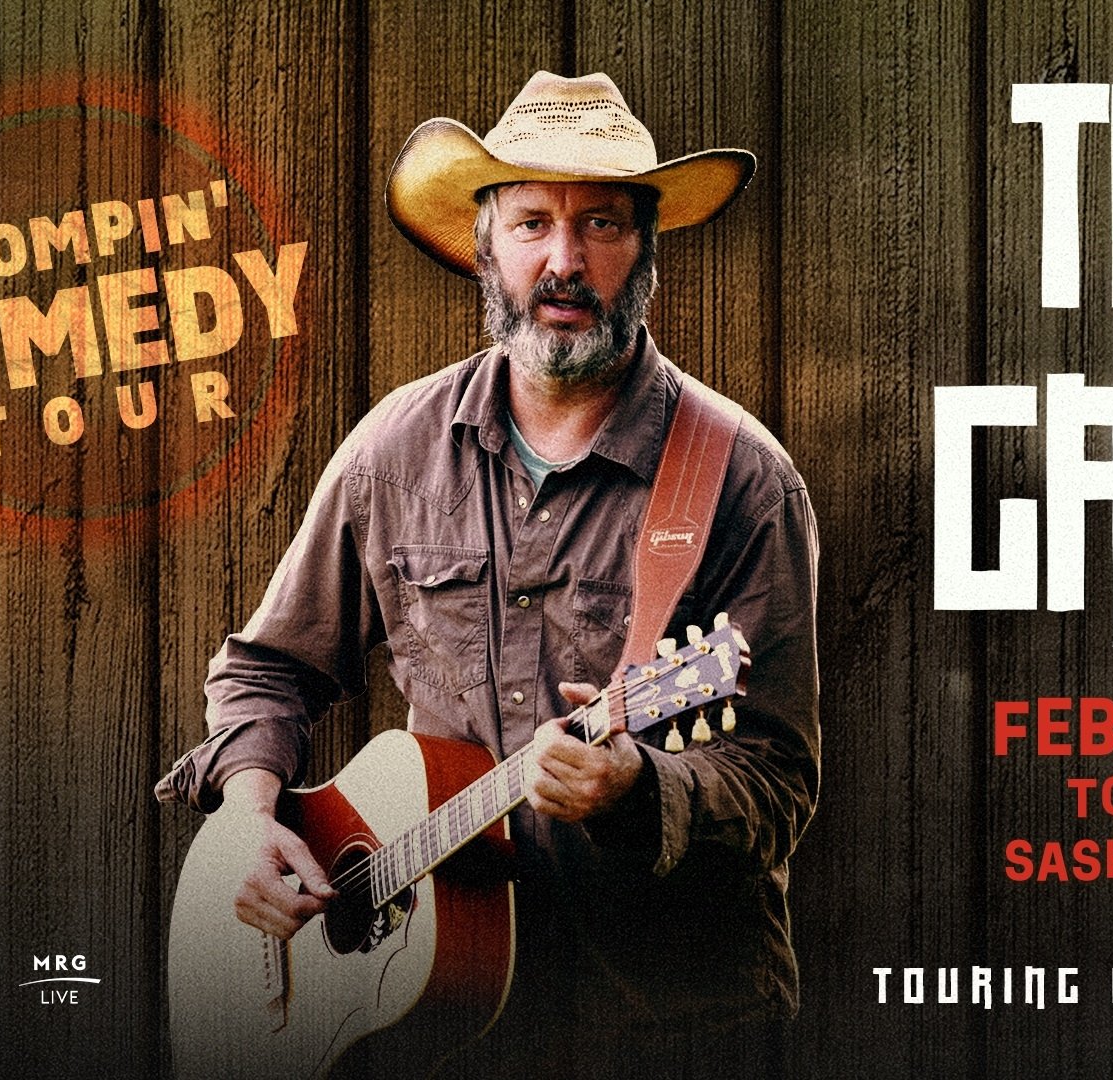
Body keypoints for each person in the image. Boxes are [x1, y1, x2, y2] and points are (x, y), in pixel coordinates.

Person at [157, 71, 819, 1074]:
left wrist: (641, 787)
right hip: (434, 1021)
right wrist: (253, 818)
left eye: (600, 224)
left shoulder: (740, 480)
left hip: (670, 1024)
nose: (564, 261)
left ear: (648, 254)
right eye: (531, 224)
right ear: (484, 247)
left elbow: (775, 781)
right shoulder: (396, 450)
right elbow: (266, 671)